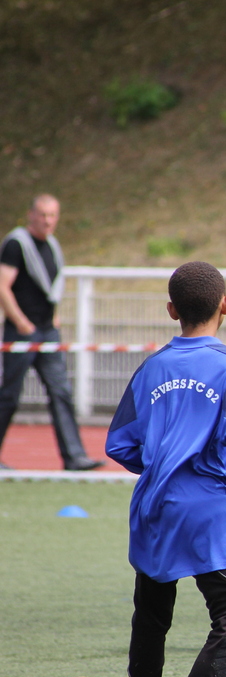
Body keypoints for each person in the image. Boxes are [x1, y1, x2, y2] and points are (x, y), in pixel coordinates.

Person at [105, 261, 226, 677]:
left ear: (172, 310)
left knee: (151, 619)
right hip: (204, 506)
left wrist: (161, 464)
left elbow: (118, 444)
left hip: (152, 505)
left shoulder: (151, 367)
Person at [0, 194, 102, 471]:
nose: (47, 221)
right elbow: (2, 285)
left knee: (61, 392)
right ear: (31, 215)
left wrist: (53, 318)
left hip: (47, 333)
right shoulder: (16, 244)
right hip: (22, 333)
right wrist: (21, 322)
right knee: (9, 395)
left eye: (52, 215)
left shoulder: (53, 245)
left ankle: (74, 457)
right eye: (42, 215)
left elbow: (50, 289)